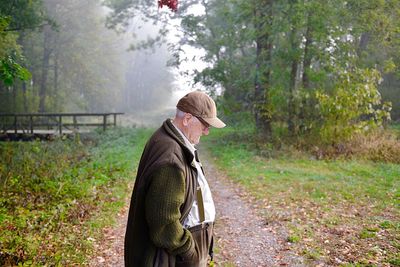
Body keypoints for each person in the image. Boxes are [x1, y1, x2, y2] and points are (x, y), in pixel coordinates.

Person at [124, 90, 226, 267]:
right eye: (204, 125)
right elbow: (164, 222)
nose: (207, 131)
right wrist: (190, 252)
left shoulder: (175, 141)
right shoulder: (171, 158)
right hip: (172, 258)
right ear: (187, 119)